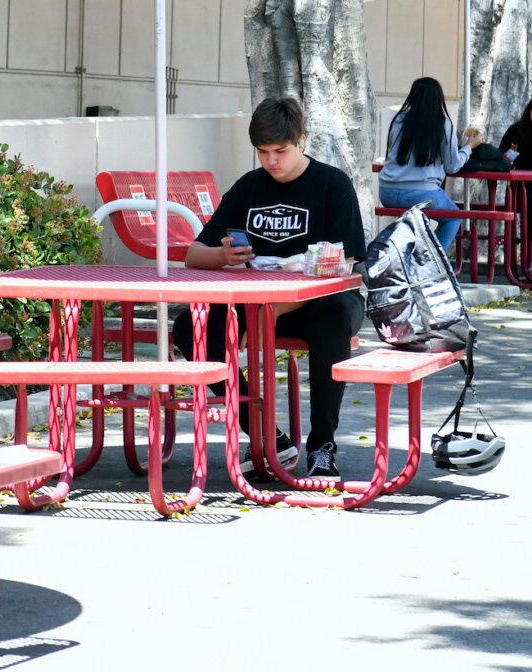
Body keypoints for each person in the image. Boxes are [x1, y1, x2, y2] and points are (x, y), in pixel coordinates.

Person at [170, 96, 366, 480]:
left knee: (332, 319)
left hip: (322, 301)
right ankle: (263, 434)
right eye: (263, 152)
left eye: (281, 151)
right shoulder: (249, 187)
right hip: (256, 303)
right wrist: (223, 256)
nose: (271, 161)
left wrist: (274, 309)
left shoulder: (332, 184)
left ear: (302, 142)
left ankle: (322, 445)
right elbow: (194, 254)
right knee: (190, 328)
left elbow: (345, 263)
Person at [378, 76, 480, 251]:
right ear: (438, 99)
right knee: (453, 218)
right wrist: (469, 146)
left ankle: (411, 258)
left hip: (386, 191)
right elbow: (452, 165)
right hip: (421, 194)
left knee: (412, 223)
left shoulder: (399, 120)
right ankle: (430, 261)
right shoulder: (442, 124)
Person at [498, 98, 532, 170]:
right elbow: (501, 153)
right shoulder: (515, 130)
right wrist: (507, 157)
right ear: (529, 110)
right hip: (518, 173)